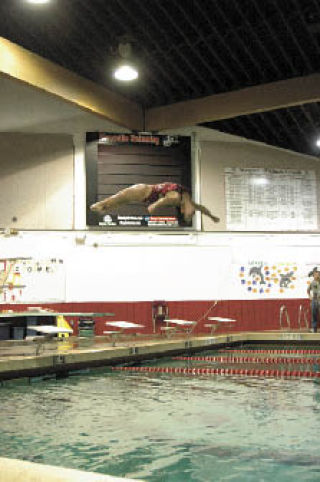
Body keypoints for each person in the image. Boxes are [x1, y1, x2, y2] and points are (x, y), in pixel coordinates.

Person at [90, 182, 220, 224]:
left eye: (190, 214)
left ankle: (104, 207)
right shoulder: (179, 198)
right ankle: (102, 205)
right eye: (191, 214)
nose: (192, 212)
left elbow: (203, 209)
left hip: (146, 196)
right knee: (120, 197)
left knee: (121, 200)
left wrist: (211, 216)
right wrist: (155, 205)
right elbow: (168, 198)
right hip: (144, 190)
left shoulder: (185, 201)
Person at [307, 267, 320, 333]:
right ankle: (314, 329)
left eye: (318, 275)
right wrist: (310, 296)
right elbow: (308, 290)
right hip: (314, 300)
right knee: (314, 315)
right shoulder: (312, 283)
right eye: (315, 275)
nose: (316, 276)